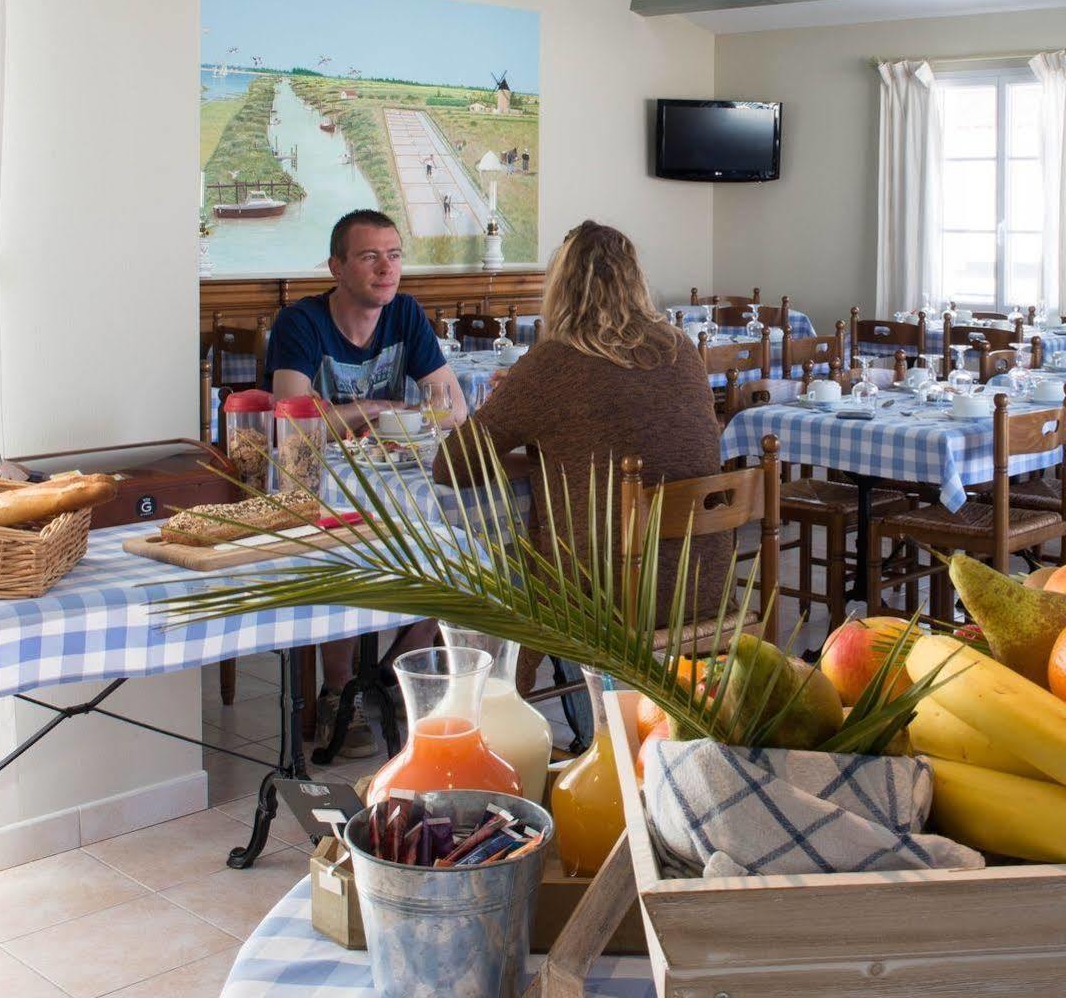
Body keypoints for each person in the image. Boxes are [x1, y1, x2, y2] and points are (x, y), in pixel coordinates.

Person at [434, 220, 732, 632]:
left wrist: (526, 402)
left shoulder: (554, 361)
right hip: (706, 581)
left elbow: (451, 466)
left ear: (561, 287)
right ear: (636, 281)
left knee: (498, 561)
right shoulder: (681, 348)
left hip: (611, 594)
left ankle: (518, 682)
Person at [268, 208, 470, 756]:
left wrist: (367, 416)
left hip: (396, 473)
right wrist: (381, 405)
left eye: (395, 254)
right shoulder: (300, 323)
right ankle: (340, 693)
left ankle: (396, 676)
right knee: (338, 553)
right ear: (337, 267)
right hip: (319, 481)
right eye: (369, 256)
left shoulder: (405, 314)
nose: (387, 269)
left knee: (453, 542)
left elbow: (453, 407)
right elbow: (295, 419)